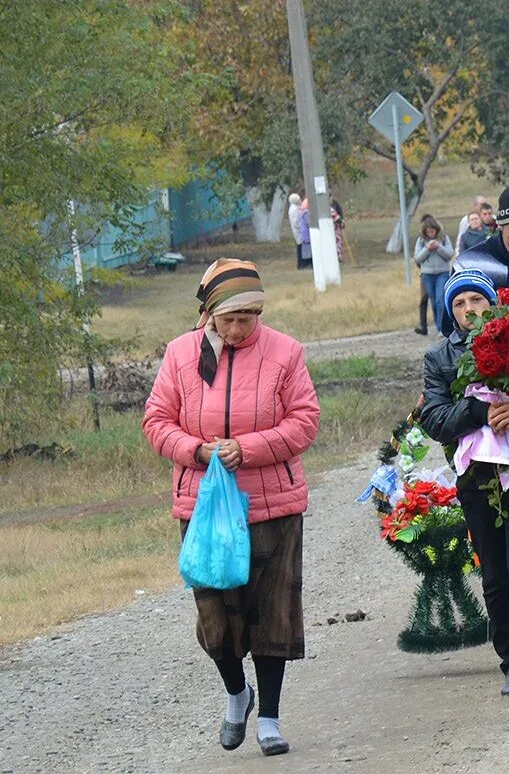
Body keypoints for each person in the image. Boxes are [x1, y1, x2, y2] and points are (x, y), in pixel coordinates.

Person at [142, 259, 320, 757]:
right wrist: (197, 451)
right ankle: (237, 694)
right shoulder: (180, 355)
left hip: (272, 504)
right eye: (228, 319)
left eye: (248, 318)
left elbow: (304, 421)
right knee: (215, 619)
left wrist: (250, 447)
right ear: (209, 313)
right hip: (202, 507)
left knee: (273, 612)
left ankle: (270, 718)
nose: (239, 329)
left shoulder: (285, 352)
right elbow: (156, 421)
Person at [418, 269, 509, 699]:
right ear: (449, 311)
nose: (468, 309)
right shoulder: (439, 358)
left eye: (476, 300)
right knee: (494, 574)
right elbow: (435, 419)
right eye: (458, 304)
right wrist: (478, 412)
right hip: (475, 478)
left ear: (492, 304)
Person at [414, 214, 454, 338]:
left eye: (433, 231)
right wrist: (427, 249)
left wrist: (438, 247)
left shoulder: (444, 238)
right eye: (428, 232)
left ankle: (441, 328)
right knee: (433, 302)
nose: (431, 234)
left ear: (436, 230)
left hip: (442, 273)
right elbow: (417, 258)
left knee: (440, 300)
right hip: (427, 275)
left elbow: (449, 254)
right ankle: (438, 325)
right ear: (425, 232)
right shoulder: (421, 241)